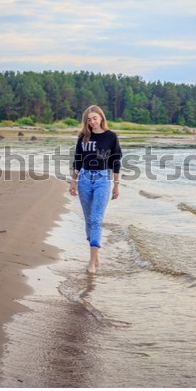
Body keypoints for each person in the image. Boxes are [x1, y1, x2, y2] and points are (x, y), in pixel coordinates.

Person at [69, 105, 122, 274]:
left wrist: (116, 185)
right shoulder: (83, 136)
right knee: (89, 220)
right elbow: (77, 159)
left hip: (102, 180)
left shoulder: (111, 137)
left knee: (97, 219)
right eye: (89, 119)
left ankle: (92, 262)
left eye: (94, 118)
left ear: (101, 117)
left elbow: (116, 161)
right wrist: (73, 181)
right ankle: (95, 254)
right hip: (84, 178)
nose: (92, 122)